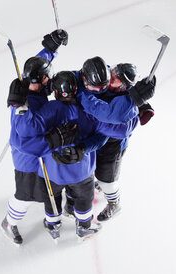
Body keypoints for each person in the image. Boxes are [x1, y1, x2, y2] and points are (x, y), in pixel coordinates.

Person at [11, 71, 139, 240]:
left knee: (52, 199)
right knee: (84, 199)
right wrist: (135, 105)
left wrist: (18, 106)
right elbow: (118, 130)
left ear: (55, 92)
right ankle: (83, 227)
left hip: (51, 172)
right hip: (81, 172)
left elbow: (25, 134)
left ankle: (52, 226)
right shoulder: (90, 113)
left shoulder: (46, 109)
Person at [64, 58, 156, 221]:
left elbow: (114, 125)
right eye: (111, 73)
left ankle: (114, 203)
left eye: (113, 80)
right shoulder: (104, 79)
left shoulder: (128, 106)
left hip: (112, 147)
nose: (108, 80)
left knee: (107, 179)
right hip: (96, 141)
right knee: (92, 170)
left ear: (123, 87)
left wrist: (136, 101)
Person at [1, 29, 68, 244]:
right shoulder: (26, 105)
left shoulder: (29, 83)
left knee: (41, 187)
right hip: (28, 158)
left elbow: (39, 64)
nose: (51, 80)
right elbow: (21, 141)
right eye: (48, 77)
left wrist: (51, 48)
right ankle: (9, 222)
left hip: (40, 153)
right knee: (25, 194)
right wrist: (52, 141)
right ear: (42, 80)